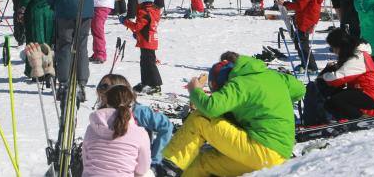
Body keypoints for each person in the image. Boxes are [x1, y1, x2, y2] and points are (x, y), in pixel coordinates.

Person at [159, 52, 304, 175]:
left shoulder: (240, 83)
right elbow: (300, 90)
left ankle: (165, 169)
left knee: (200, 118)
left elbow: (211, 108)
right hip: (276, 158)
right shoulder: (273, 76)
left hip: (261, 149)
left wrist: (195, 91)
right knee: (202, 162)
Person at [47, 0, 96, 103]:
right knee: (81, 45)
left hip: (65, 9)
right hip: (85, 9)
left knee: (65, 44)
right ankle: (82, 83)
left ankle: (64, 82)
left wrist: (52, 3)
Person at [95, 74, 172, 169]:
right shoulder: (102, 114)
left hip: (136, 165)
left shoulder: (139, 111)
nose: (100, 89)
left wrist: (155, 159)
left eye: (105, 86)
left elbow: (166, 126)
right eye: (100, 86)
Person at [82, 84, 152, 177]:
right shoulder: (140, 133)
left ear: (106, 102)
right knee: (148, 174)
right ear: (131, 105)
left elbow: (85, 159)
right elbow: (142, 169)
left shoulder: (92, 128)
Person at [278, 0, 323, 73]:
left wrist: (285, 4)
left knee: (302, 43)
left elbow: (300, 5)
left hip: (306, 19)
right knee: (300, 42)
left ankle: (311, 66)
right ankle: (305, 63)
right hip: (309, 16)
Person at [120, 0, 162, 94]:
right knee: (144, 62)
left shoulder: (145, 11)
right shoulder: (153, 9)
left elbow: (137, 26)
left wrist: (125, 21)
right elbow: (145, 26)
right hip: (148, 39)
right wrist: (138, 34)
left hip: (147, 41)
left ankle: (155, 85)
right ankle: (146, 82)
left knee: (149, 63)